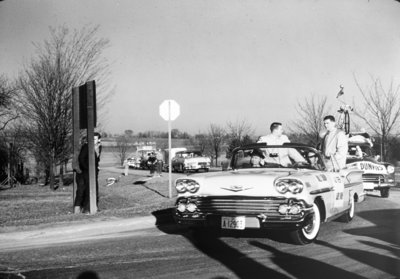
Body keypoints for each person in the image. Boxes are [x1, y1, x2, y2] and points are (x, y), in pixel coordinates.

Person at [74, 133, 102, 213]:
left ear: (99, 140)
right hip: (86, 171)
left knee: (94, 189)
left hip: (94, 171)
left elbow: (97, 159)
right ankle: (86, 209)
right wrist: (88, 169)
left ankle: (93, 207)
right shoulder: (87, 146)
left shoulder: (99, 147)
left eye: (95, 139)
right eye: (91, 139)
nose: (93, 141)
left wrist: (96, 167)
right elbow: (81, 159)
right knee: (86, 189)